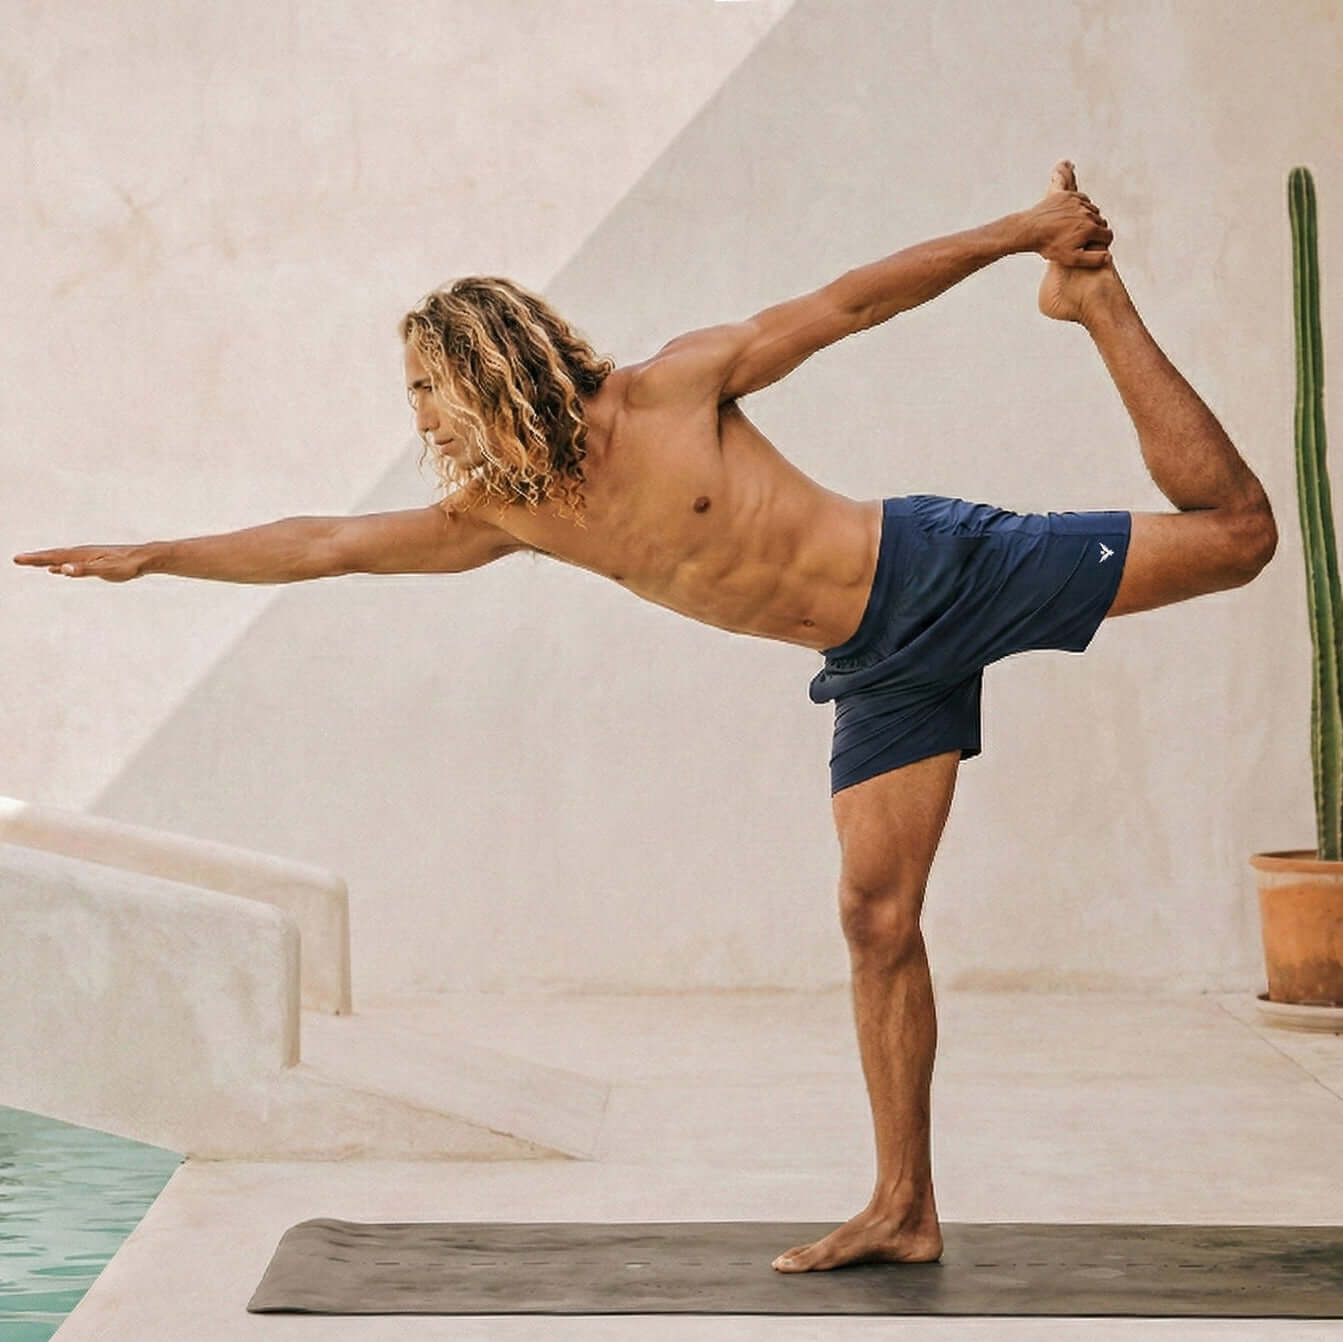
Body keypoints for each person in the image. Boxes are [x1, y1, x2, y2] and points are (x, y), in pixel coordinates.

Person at [14, 162, 1276, 1273]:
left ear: (484, 363)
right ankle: (902, 1206)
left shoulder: (672, 389)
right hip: (875, 664)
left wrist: (1022, 234)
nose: (418, 416)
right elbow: (326, 543)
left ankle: (1095, 307)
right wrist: (160, 554)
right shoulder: (510, 512)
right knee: (874, 917)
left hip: (938, 569)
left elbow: (850, 302)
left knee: (1237, 538)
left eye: (424, 386)